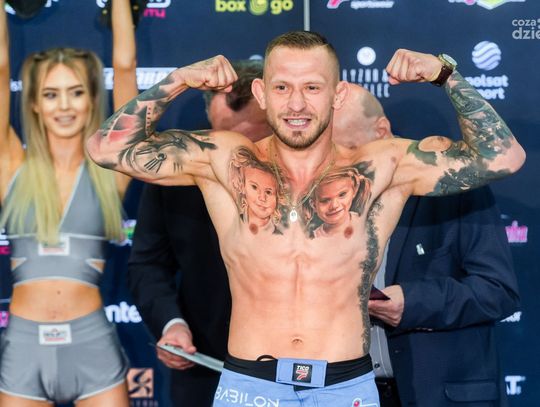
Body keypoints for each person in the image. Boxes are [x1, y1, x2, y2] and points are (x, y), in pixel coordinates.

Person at [87, 31, 525, 405]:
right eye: (282, 88)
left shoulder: (381, 166)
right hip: (249, 385)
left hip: (345, 386)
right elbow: (105, 148)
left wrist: (444, 74)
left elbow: (503, 156)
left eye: (312, 87)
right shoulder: (225, 160)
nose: (296, 104)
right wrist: (179, 80)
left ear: (337, 95)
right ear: (261, 94)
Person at [334, 84, 520, 406]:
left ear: (382, 132)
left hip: (441, 396)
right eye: (332, 154)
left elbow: (498, 290)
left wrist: (413, 303)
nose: (344, 164)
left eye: (351, 149)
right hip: (352, 394)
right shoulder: (324, 200)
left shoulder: (453, 187)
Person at [0, 1, 138, 405]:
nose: (64, 106)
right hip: (24, 350)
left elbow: (125, 67)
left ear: (92, 99)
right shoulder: (10, 166)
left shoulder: (110, 169)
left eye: (76, 92)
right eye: (51, 94)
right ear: (34, 103)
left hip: (93, 347)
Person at [127, 60, 271, 406]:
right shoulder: (176, 171)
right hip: (205, 365)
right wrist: (172, 324)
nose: (239, 154)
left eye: (252, 140)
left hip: (295, 369)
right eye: (226, 138)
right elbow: (147, 264)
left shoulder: (311, 174)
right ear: (209, 124)